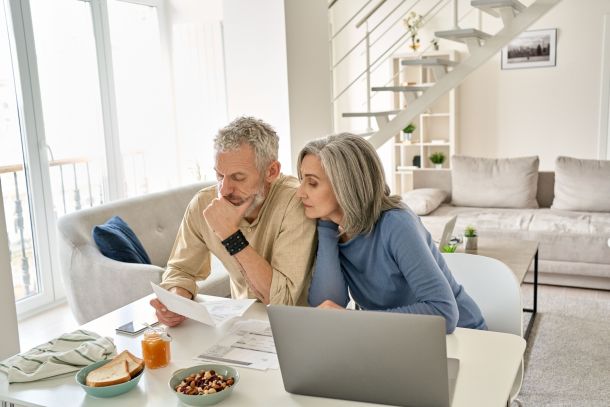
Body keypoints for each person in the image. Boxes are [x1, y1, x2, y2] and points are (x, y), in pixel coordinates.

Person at [296, 133, 486, 333]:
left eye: (312, 183)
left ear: (345, 186)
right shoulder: (335, 229)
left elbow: (443, 313)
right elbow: (326, 307)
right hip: (399, 339)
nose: (299, 192)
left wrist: (355, 319)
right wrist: (326, 228)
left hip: (462, 337)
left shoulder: (396, 224)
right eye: (301, 180)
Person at [151, 117, 317, 326]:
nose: (224, 189)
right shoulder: (204, 203)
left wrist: (231, 236)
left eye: (238, 178)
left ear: (271, 171)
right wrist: (177, 300)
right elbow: (180, 270)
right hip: (241, 326)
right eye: (220, 175)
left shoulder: (297, 202)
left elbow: (280, 301)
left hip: (296, 327)